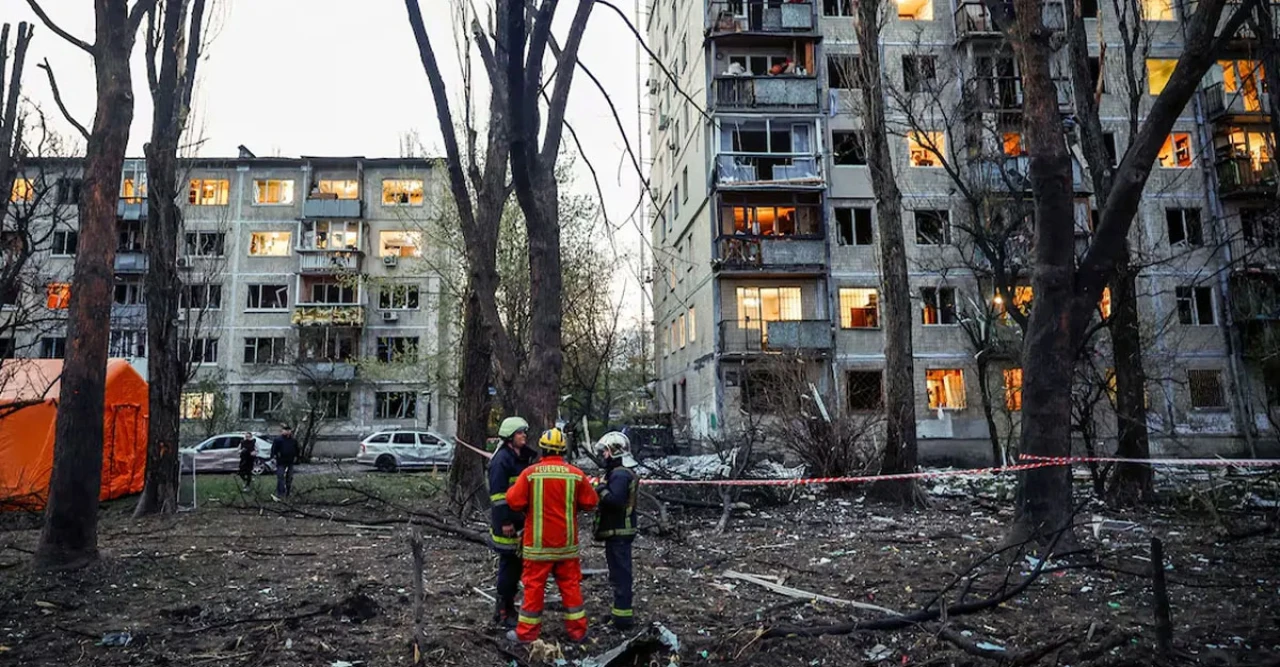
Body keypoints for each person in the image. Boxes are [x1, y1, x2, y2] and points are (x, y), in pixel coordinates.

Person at [505, 428, 598, 644]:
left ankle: (526, 634)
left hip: (537, 547)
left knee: (534, 589)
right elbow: (591, 502)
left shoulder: (530, 474)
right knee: (571, 587)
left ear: (543, 449)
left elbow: (514, 501)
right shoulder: (576, 474)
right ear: (564, 450)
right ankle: (578, 632)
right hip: (566, 546)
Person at [488, 416, 536, 629]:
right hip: (507, 525)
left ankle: (509, 606)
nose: (523, 436)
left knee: (516, 568)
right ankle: (503, 610)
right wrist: (506, 521)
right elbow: (498, 497)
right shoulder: (501, 461)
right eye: (519, 433)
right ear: (509, 437)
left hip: (521, 521)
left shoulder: (521, 457)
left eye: (524, 432)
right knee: (509, 567)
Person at [593, 431, 640, 630]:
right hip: (617, 533)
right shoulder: (619, 473)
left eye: (604, 452)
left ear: (614, 452)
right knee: (618, 575)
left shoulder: (620, 474)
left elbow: (615, 501)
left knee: (621, 575)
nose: (602, 456)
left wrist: (600, 488)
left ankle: (622, 619)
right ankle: (619, 613)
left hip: (619, 532)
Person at [270, 425, 300, 500]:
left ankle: (288, 492)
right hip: (281, 461)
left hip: (290, 461)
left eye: (288, 430)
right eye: (285, 430)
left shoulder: (293, 440)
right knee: (280, 477)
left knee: (289, 478)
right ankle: (280, 493)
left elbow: (297, 450)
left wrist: (296, 457)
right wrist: (273, 457)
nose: (287, 432)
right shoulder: (278, 440)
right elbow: (273, 450)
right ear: (282, 431)